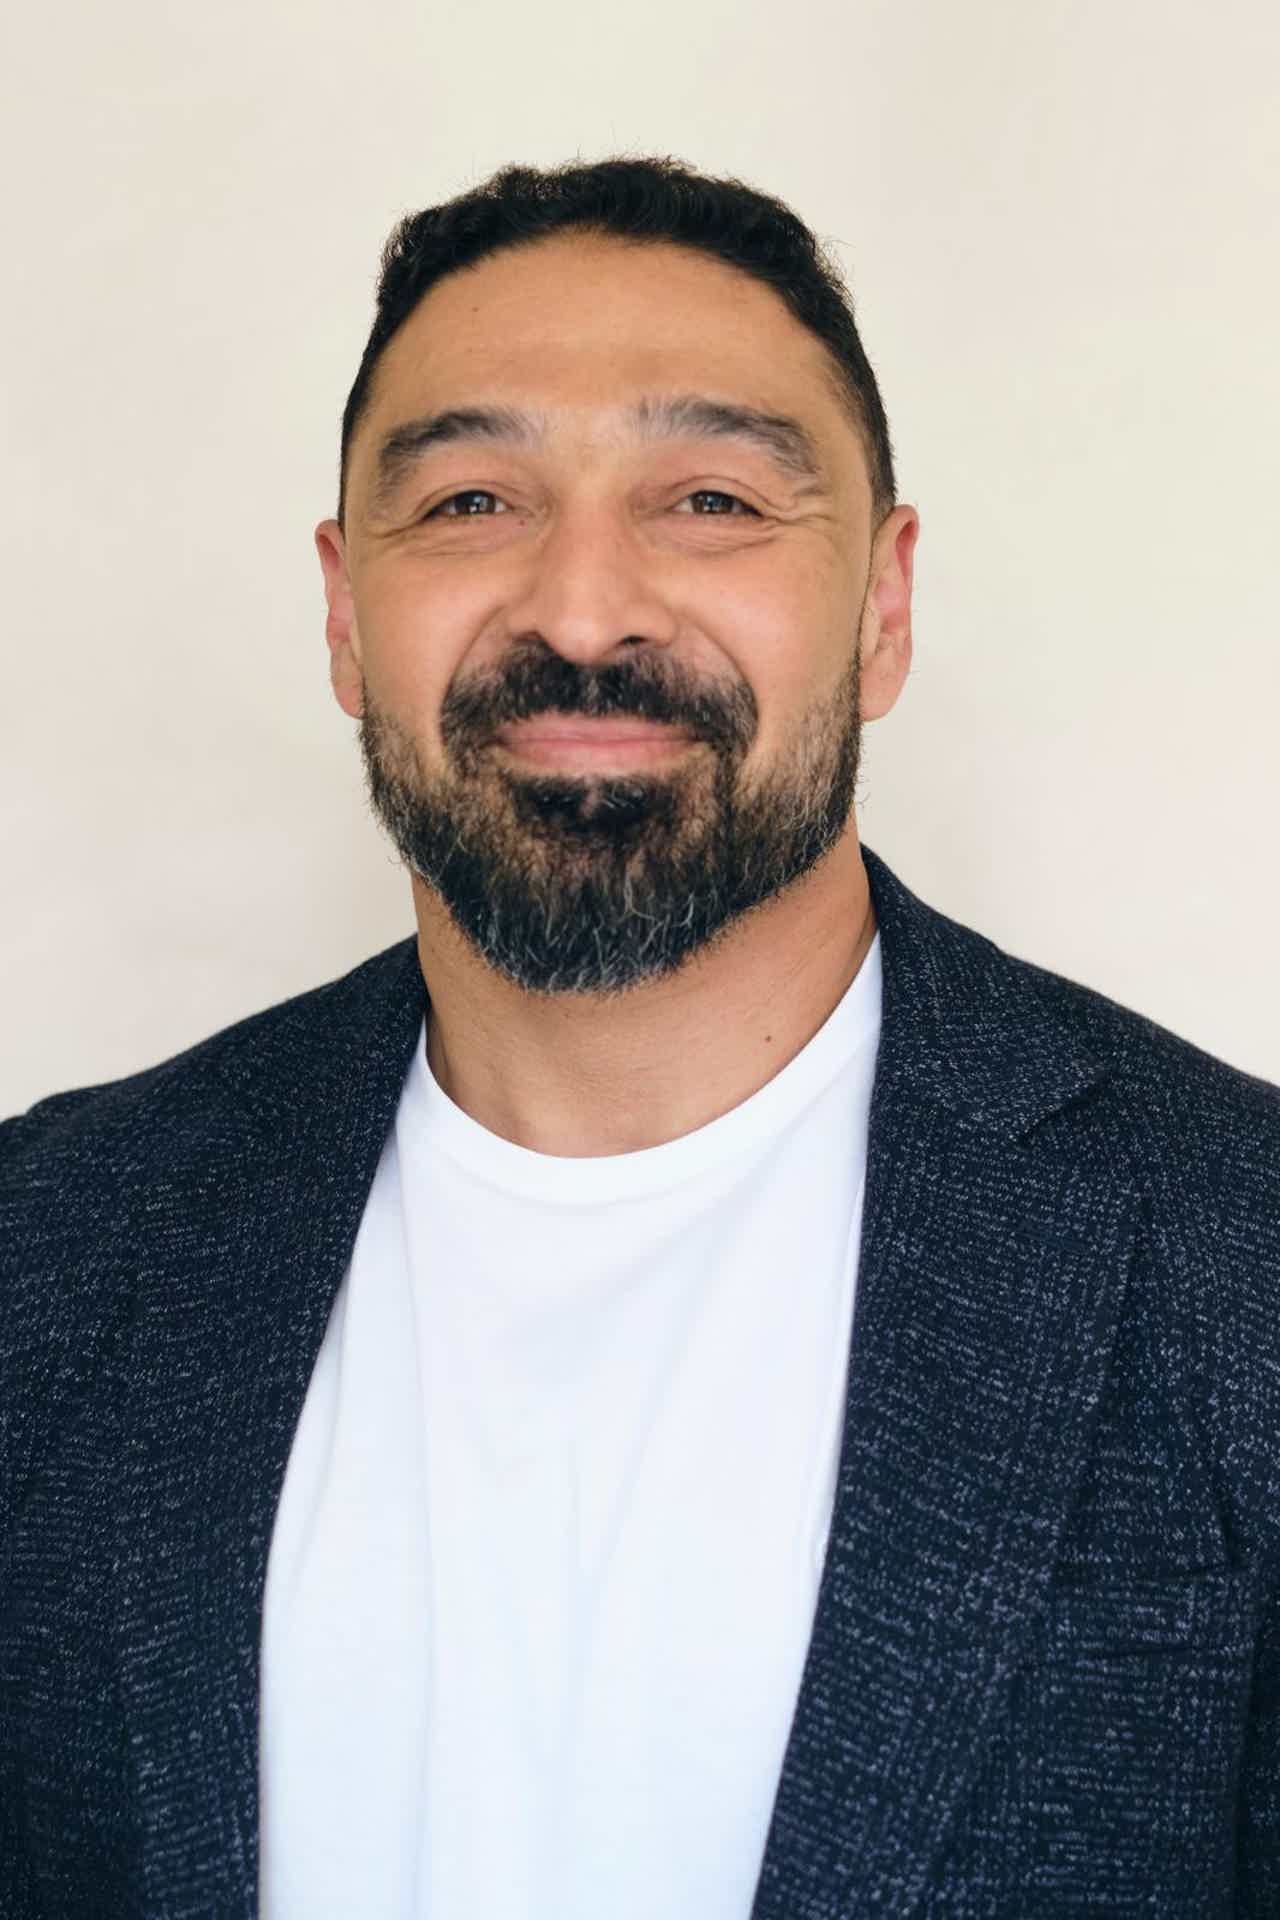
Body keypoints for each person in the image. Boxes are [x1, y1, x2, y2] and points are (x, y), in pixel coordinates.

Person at [2, 154, 1278, 1920]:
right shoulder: (49, 1246)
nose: (584, 609)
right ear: (341, 612)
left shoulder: (1243, 1265)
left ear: (886, 610)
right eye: (467, 502)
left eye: (714, 501)